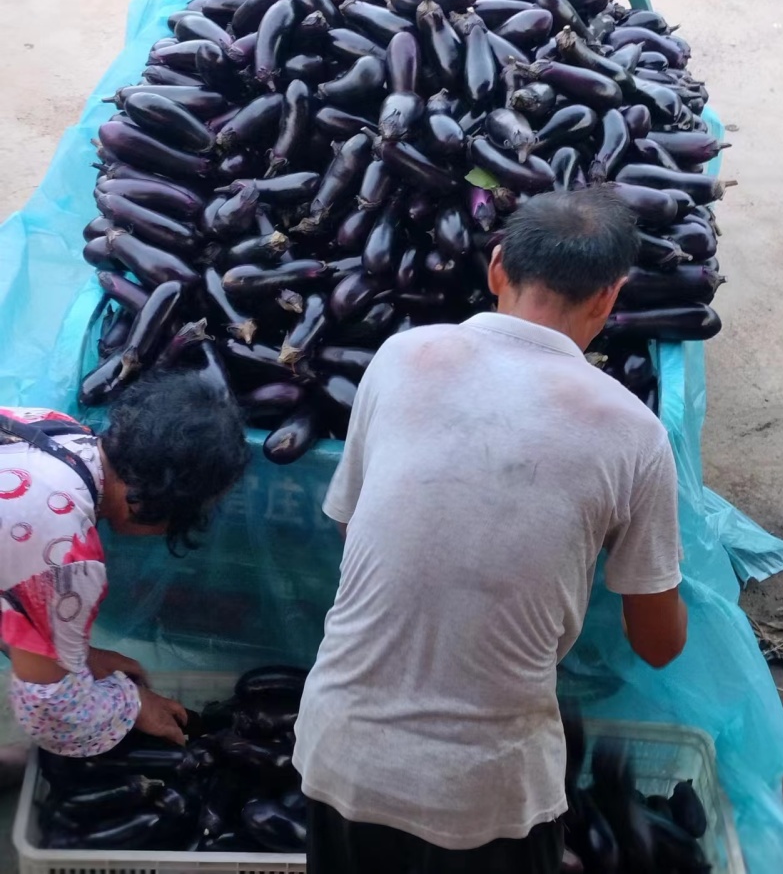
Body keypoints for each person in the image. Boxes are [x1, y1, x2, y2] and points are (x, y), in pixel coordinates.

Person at [293, 187, 687, 874]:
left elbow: (354, 530)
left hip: (340, 752)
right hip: (486, 790)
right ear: (609, 297)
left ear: (497, 266)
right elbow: (657, 645)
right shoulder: (635, 434)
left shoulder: (398, 357)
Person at [0, 368, 248, 757]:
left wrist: (81, 657)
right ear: (157, 500)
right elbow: (52, 712)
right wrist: (131, 706)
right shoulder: (64, 551)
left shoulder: (58, 430)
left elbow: (12, 590)